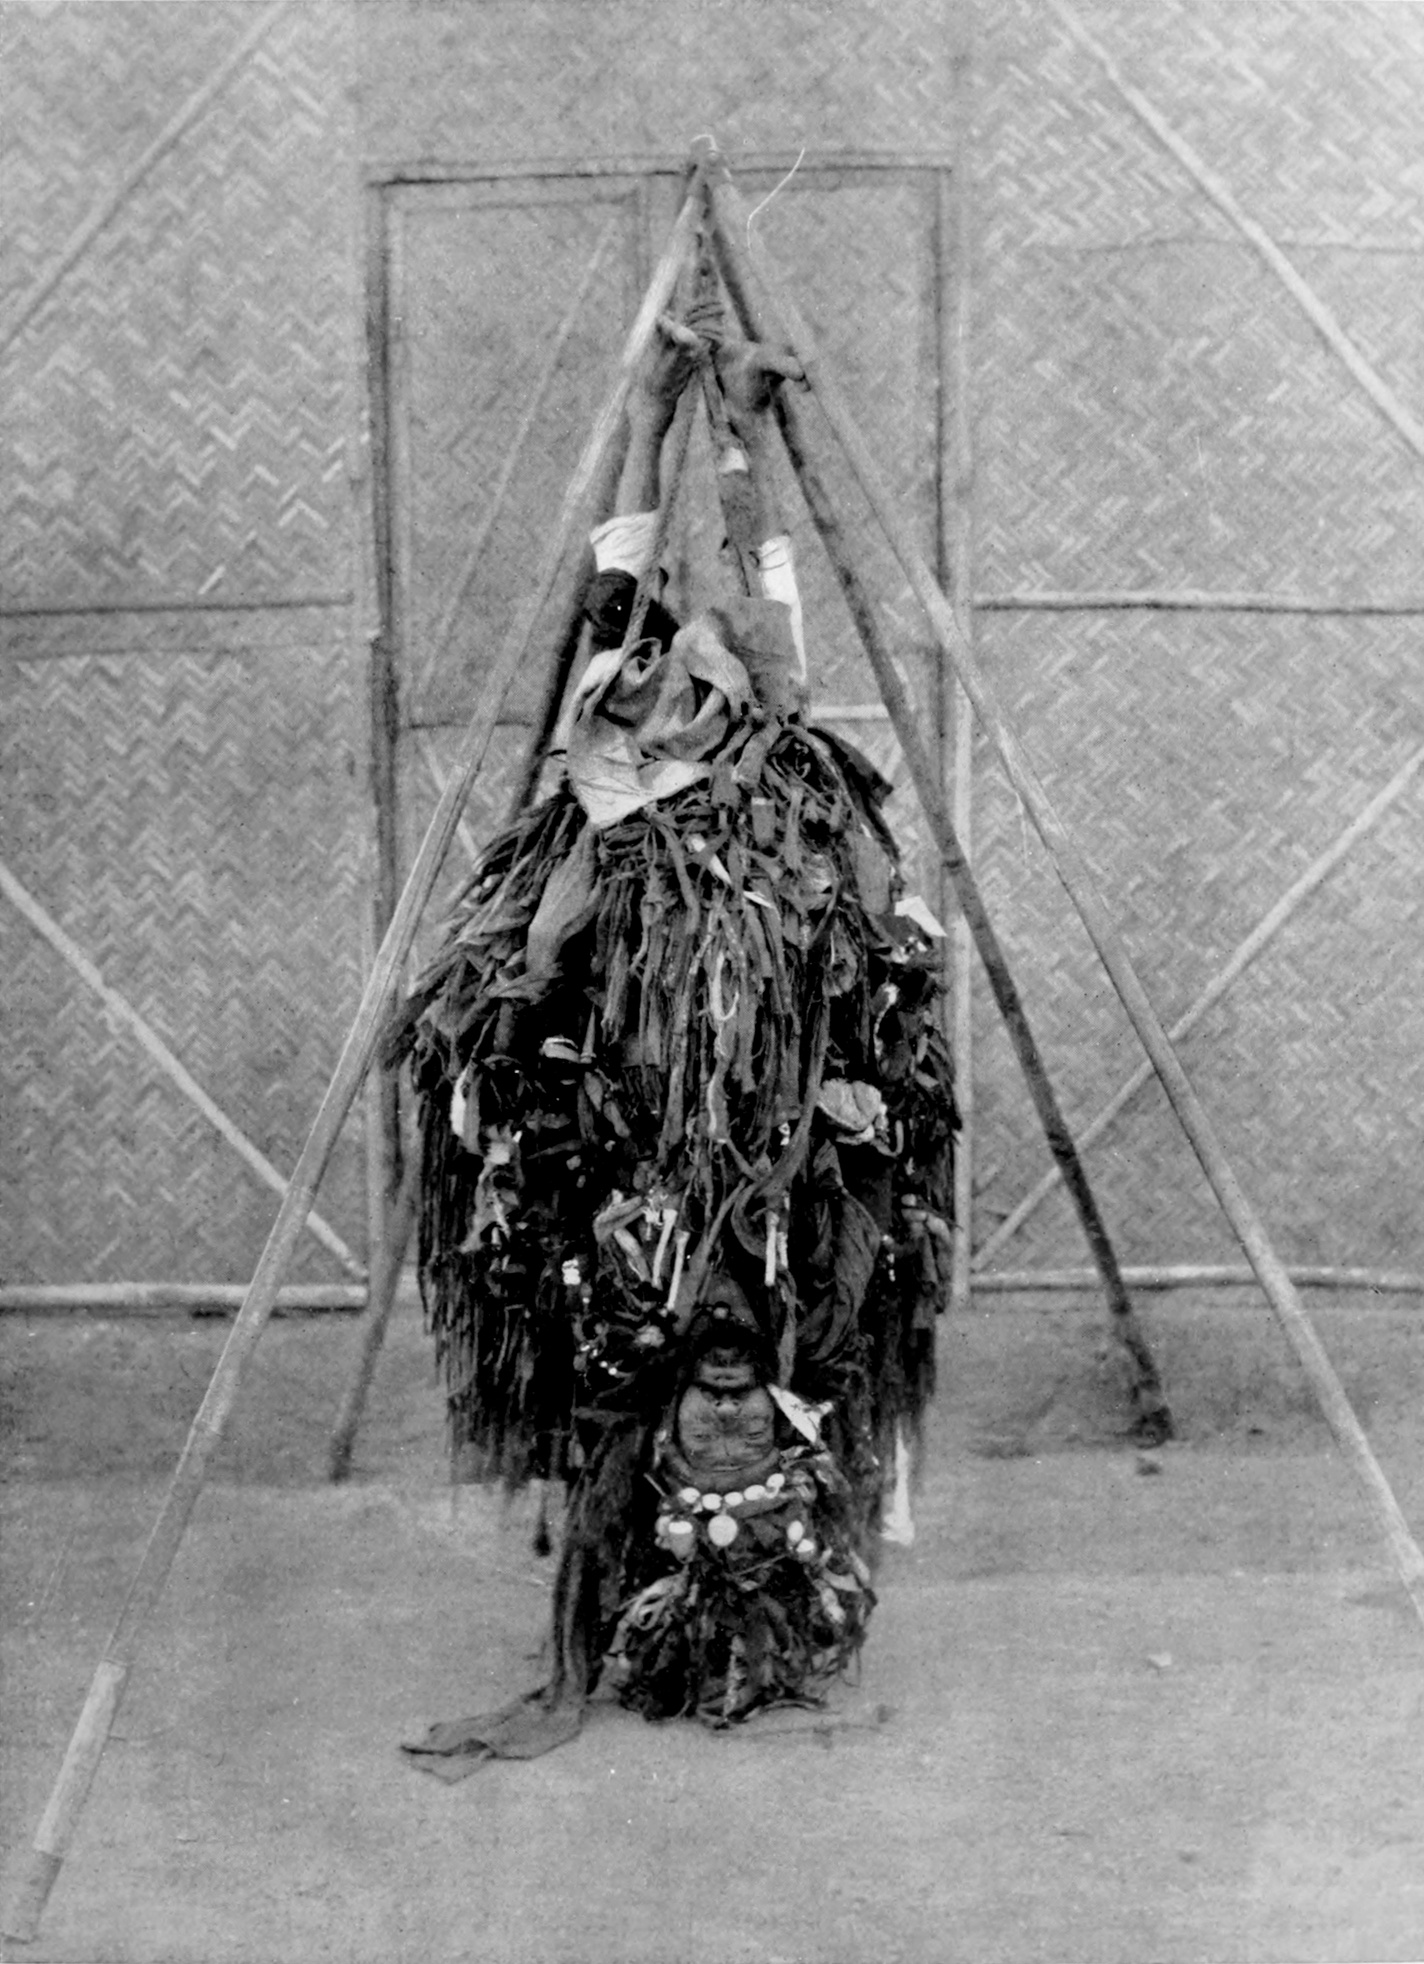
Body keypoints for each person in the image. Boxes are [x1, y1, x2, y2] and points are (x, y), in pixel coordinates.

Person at [392, 302, 957, 1767]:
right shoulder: (629, 802)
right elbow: (667, 592)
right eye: (652, 678)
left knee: (766, 1342)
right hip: (665, 1158)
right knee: (660, 1350)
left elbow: (743, 613)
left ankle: (744, 1607)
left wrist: (717, 433)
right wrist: (676, 421)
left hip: (735, 1161)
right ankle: (624, 1620)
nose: (668, 680)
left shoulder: (771, 780)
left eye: (686, 679)